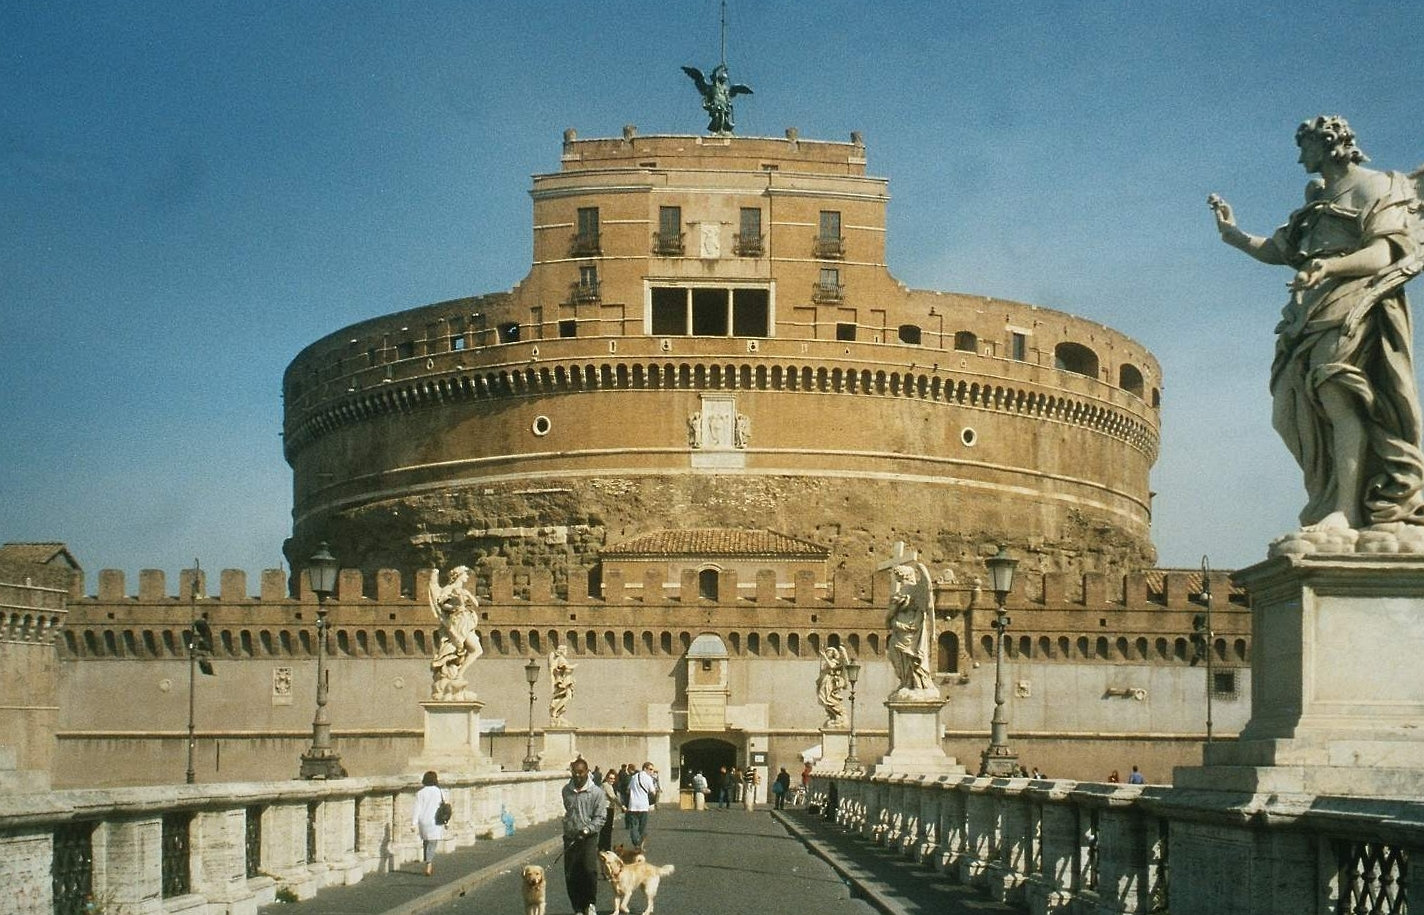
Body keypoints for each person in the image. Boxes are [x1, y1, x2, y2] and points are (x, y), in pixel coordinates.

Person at [1211, 115, 1424, 535]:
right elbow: (1280, 250)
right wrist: (1232, 234)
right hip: (1307, 313)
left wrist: (1329, 267)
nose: (1299, 158)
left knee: (1338, 399)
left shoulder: (1376, 186)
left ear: (1329, 144)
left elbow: (1383, 254)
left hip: (1353, 303)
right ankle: (1327, 496)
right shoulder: (1316, 201)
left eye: (1304, 148)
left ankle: (1346, 510)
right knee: (1288, 411)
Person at [427, 566, 483, 700]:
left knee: (477, 650)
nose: (467, 577)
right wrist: (455, 605)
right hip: (457, 621)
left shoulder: (463, 590)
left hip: (467, 620)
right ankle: (452, 676)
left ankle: (459, 674)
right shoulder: (448, 589)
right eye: (465, 574)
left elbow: (476, 604)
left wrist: (467, 595)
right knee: (455, 648)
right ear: (458, 575)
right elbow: (441, 604)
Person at [561, 758, 608, 915]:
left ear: (587, 772)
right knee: (571, 873)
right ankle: (578, 907)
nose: (577, 775)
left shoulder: (597, 793)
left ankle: (589, 903)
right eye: (574, 772)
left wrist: (588, 829)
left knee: (588, 870)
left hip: (588, 837)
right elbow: (568, 810)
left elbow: (601, 817)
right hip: (570, 837)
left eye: (581, 772)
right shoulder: (566, 791)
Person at [886, 562, 935, 693]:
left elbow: (926, 609)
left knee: (911, 657)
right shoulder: (902, 592)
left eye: (900, 579)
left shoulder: (913, 590)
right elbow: (890, 615)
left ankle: (915, 683)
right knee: (895, 655)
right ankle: (906, 681)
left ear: (906, 576)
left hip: (911, 632)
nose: (899, 582)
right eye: (898, 579)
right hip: (900, 631)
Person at [410, 770, 446, 877]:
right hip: (435, 821)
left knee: (426, 841)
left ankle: (427, 860)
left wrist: (413, 823)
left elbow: (417, 808)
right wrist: (446, 821)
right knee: (432, 843)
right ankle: (429, 864)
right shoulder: (439, 791)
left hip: (423, 821)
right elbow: (445, 807)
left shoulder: (420, 793)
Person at [625, 761, 658, 848]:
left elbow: (628, 790)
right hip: (643, 805)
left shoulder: (634, 777)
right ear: (645, 769)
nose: (652, 772)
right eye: (650, 769)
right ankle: (639, 844)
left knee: (634, 826)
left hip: (633, 805)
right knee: (642, 827)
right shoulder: (648, 778)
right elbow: (653, 792)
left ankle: (636, 842)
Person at [548, 645, 576, 723]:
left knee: (565, 696)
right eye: (566, 650)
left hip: (567, 680)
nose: (566, 652)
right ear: (562, 651)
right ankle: (555, 711)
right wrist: (573, 666)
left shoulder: (561, 659)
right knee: (568, 696)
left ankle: (558, 714)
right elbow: (563, 668)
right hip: (565, 680)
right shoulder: (561, 659)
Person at [598, 769, 621, 852]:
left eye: (613, 779)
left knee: (605, 829)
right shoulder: (606, 785)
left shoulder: (607, 785)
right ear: (607, 778)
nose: (612, 780)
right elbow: (613, 797)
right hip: (607, 808)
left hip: (608, 808)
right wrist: (622, 806)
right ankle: (606, 847)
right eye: (611, 778)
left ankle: (602, 846)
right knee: (607, 829)